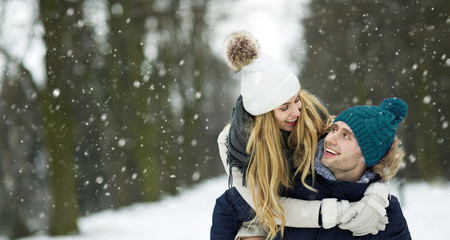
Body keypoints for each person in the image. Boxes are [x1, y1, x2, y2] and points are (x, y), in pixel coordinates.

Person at [210, 31, 390, 240]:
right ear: (264, 117)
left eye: (296, 100)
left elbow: (362, 155)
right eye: (284, 107)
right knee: (227, 206)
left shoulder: (313, 117)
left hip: (308, 203)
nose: (296, 111)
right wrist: (336, 213)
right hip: (269, 215)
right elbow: (268, 206)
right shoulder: (235, 147)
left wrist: (376, 198)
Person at [217, 98, 412, 239]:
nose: (330, 139)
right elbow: (229, 206)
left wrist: (377, 196)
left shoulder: (385, 212)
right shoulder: (296, 183)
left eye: (346, 136)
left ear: (369, 156)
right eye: (334, 129)